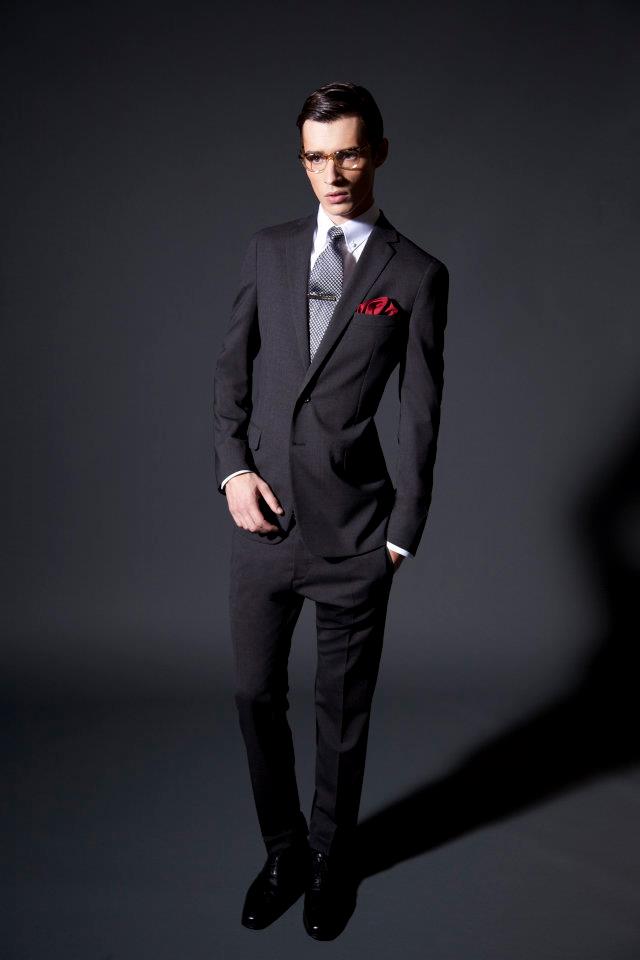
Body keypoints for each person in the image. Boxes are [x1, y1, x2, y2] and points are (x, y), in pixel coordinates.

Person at [213, 80, 449, 939]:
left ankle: (329, 860)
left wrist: (402, 536)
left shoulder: (415, 274)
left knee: (341, 717)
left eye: (348, 153)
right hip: (265, 523)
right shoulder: (269, 250)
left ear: (377, 152)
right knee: (253, 694)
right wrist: (233, 472)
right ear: (303, 162)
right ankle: (283, 852)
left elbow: (421, 412)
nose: (334, 174)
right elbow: (231, 372)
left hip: (356, 534)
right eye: (317, 158)